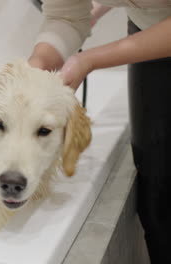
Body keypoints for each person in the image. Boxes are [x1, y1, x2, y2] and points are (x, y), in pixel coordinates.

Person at [28, 1, 171, 262]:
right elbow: (65, 16)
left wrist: (89, 60)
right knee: (158, 196)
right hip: (149, 23)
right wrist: (37, 65)